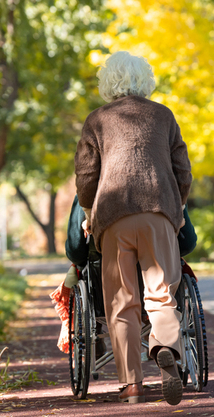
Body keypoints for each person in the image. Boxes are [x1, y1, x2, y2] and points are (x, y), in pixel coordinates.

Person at [75, 51, 193, 405]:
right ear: (146, 80)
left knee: (121, 301)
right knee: (161, 294)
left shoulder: (97, 119)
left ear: (107, 81)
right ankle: (164, 347)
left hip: (114, 216)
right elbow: (182, 170)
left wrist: (87, 210)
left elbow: (86, 175)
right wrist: (179, 206)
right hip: (158, 212)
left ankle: (131, 385)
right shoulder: (164, 115)